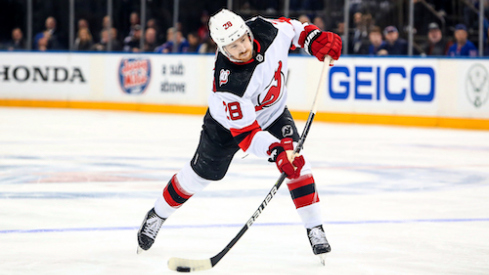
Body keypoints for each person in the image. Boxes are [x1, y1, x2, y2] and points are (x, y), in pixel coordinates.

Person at [137, 9, 342, 261]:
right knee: (198, 176)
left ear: (247, 31)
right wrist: (276, 151)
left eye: (243, 39)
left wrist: (315, 40)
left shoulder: (266, 29)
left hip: (273, 113)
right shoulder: (229, 85)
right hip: (225, 127)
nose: (242, 48)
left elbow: (295, 30)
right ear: (222, 48)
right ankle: (157, 214)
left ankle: (315, 228)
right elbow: (248, 137)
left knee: (298, 163)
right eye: (233, 46)